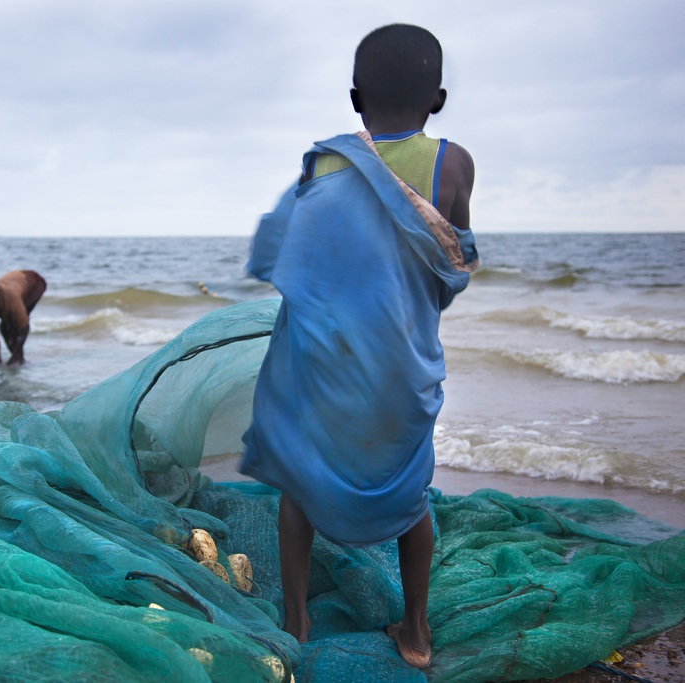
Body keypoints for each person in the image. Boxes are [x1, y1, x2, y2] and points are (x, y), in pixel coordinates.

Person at [238, 24, 478, 669]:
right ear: (439, 98)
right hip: (403, 363)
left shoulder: (324, 162)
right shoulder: (452, 164)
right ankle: (417, 631)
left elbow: (299, 260)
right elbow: (451, 259)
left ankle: (296, 617)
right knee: (410, 487)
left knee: (300, 481)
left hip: (326, 359)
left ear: (354, 97)